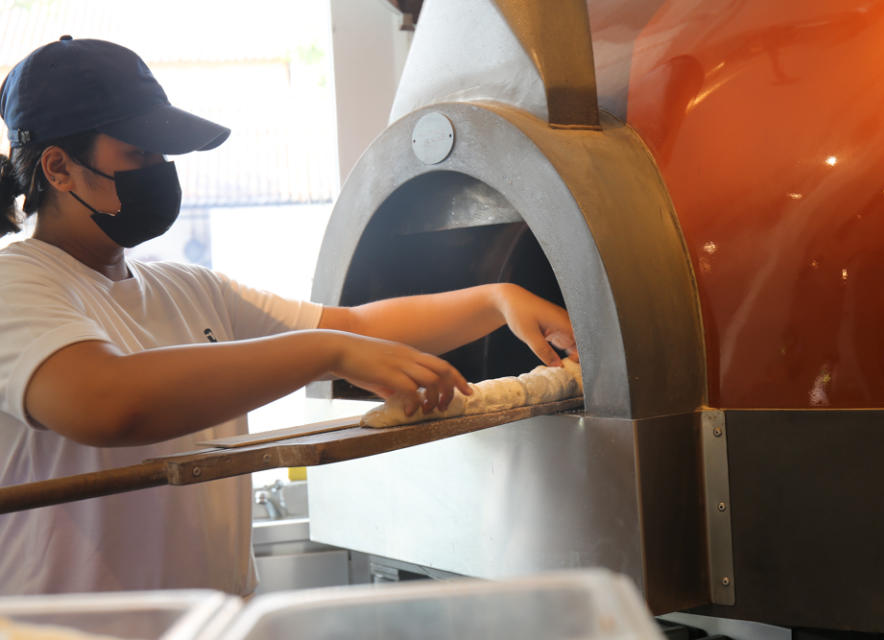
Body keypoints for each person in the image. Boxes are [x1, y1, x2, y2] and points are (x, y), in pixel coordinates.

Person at [0, 37, 577, 595]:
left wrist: (496, 300)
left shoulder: (185, 287)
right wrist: (324, 353)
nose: (160, 169)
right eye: (138, 153)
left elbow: (355, 327)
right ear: (58, 168)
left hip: (215, 622)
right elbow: (105, 403)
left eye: (163, 154)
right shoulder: (16, 283)